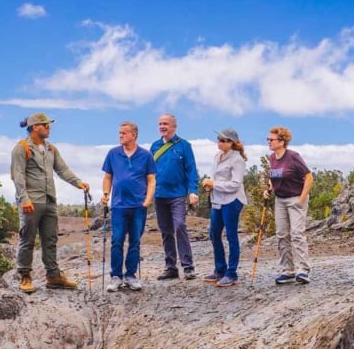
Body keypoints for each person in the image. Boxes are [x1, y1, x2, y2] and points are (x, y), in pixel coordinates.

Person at [9, 112, 91, 294]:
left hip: (49, 201)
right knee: (27, 239)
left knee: (50, 239)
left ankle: (53, 276)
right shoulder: (21, 148)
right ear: (35, 127)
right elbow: (18, 176)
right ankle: (25, 275)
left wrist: (78, 182)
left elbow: (62, 169)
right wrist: (24, 199)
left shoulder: (51, 149)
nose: (49, 128)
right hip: (31, 202)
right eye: (45, 125)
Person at [101, 121, 157, 291]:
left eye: (124, 133)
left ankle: (130, 276)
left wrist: (147, 200)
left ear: (134, 135)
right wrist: (105, 194)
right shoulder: (113, 154)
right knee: (117, 240)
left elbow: (151, 180)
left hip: (138, 206)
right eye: (119, 133)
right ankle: (116, 276)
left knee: (135, 241)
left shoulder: (146, 155)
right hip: (118, 206)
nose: (120, 136)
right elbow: (108, 177)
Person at [150, 114, 200, 279]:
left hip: (178, 194)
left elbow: (192, 170)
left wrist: (193, 191)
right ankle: (171, 267)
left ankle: (188, 266)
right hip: (159, 195)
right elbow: (148, 173)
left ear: (174, 126)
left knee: (179, 226)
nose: (162, 126)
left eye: (165, 124)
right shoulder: (155, 146)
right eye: (160, 124)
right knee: (166, 231)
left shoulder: (184, 145)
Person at [265, 126, 313, 284]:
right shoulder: (272, 158)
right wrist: (269, 189)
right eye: (268, 140)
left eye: (271, 140)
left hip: (295, 198)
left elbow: (308, 177)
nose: (269, 142)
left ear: (281, 141)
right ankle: (288, 270)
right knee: (281, 234)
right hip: (280, 200)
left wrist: (301, 199)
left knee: (297, 233)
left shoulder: (293, 156)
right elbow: (273, 177)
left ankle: (303, 270)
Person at [200, 129, 248, 287]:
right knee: (214, 234)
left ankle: (231, 273)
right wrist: (211, 185)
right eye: (218, 139)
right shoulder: (217, 156)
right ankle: (220, 269)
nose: (219, 142)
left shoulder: (237, 159)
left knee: (231, 236)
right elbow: (216, 177)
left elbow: (235, 184)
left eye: (223, 140)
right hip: (218, 200)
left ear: (231, 142)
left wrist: (215, 184)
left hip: (232, 200)